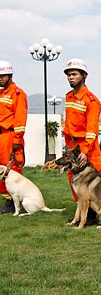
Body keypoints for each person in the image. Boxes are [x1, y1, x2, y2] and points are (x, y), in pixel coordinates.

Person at [63, 58, 101, 225]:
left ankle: (93, 215)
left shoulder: (91, 100)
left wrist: (85, 151)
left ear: (84, 76)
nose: (71, 77)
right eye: (68, 75)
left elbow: (92, 129)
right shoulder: (69, 97)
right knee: (74, 180)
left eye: (74, 74)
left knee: (92, 184)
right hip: (73, 146)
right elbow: (69, 123)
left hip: (88, 148)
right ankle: (82, 213)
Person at [0, 61, 27, 214]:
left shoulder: (18, 94)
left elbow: (20, 119)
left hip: (10, 136)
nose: (0, 79)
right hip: (2, 135)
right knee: (1, 168)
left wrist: (17, 140)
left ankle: (12, 201)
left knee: (11, 168)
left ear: (10, 76)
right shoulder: (2, 93)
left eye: (3, 76)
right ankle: (7, 198)